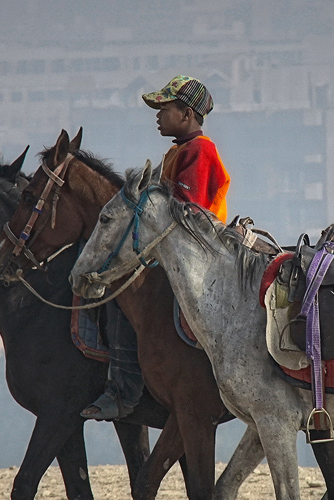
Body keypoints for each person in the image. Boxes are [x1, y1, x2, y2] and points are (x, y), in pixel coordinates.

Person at [81, 75, 230, 421]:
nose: (158, 116)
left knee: (124, 293)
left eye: (164, 109)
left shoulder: (200, 151)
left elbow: (184, 212)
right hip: (176, 250)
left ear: (187, 113)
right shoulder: (179, 151)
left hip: (196, 253)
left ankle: (125, 390)